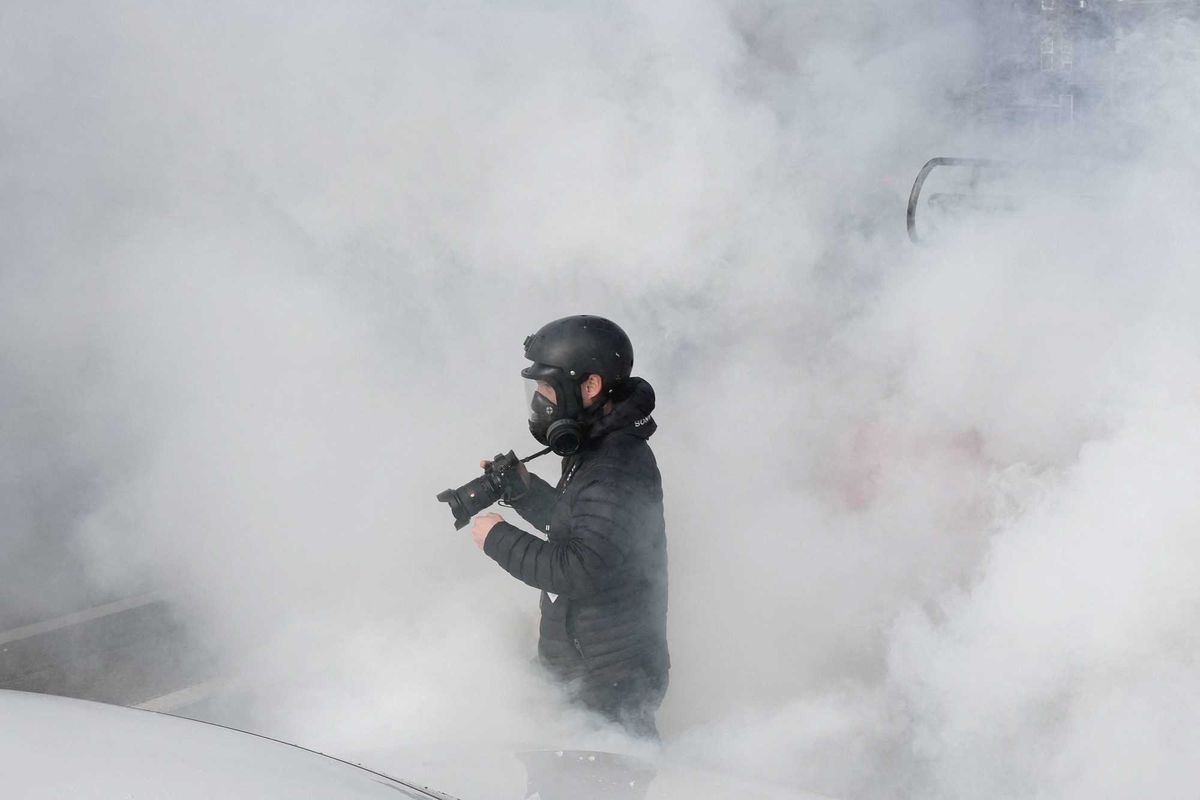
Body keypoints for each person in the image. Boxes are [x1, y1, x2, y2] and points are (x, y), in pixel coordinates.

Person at [470, 315, 669, 738]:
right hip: (581, 672)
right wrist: (524, 491)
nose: (540, 401)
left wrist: (497, 538)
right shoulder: (596, 448)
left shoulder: (616, 466)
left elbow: (581, 568)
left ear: (590, 386)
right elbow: (581, 527)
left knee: (607, 773)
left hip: (607, 687)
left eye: (547, 388)